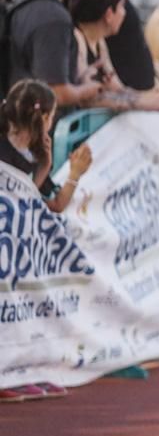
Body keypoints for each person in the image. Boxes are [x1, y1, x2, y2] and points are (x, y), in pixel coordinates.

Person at [0, 79, 91, 403]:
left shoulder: (37, 152)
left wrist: (64, 171)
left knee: (22, 309)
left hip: (19, 253)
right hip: (6, 249)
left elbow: (47, 203)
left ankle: (21, 368)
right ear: (45, 117)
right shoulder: (4, 148)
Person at [66, 0, 159, 112]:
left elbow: (118, 89)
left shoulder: (99, 42)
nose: (124, 14)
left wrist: (157, 96)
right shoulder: (77, 39)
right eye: (121, 7)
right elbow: (87, 99)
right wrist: (145, 102)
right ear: (108, 14)